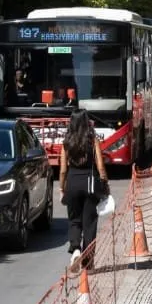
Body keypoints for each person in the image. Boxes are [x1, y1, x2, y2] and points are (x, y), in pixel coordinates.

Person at [58, 109, 107, 272]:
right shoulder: (92, 140)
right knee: (90, 223)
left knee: (74, 220)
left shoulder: (66, 142)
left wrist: (61, 188)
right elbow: (100, 165)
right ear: (87, 122)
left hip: (72, 183)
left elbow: (63, 169)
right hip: (90, 184)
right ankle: (88, 262)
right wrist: (105, 184)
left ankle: (76, 249)